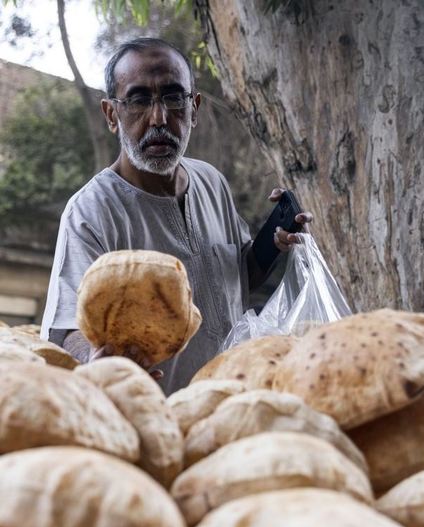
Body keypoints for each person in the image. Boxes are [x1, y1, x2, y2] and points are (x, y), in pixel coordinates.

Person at [40, 37, 312, 395]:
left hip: (233, 399)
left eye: (173, 97)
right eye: (138, 100)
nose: (159, 118)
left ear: (194, 108)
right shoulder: (92, 211)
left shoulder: (211, 181)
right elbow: (66, 330)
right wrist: (95, 360)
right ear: (111, 114)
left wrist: (275, 240)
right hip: (157, 416)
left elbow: (238, 279)